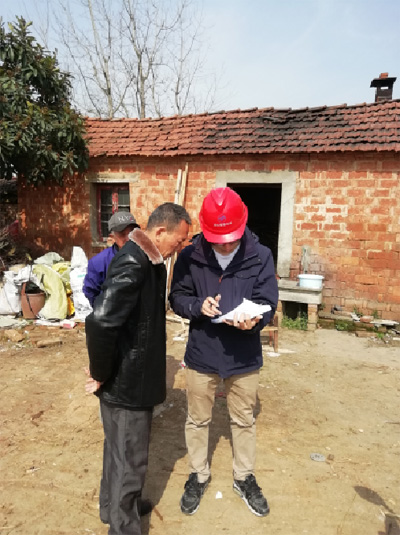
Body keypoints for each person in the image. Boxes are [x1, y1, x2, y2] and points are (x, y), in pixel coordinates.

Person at [169, 187, 279, 518]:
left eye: (231, 239)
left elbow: (268, 300)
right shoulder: (190, 256)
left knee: (243, 419)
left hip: (243, 355)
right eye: (219, 241)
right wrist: (197, 306)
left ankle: (244, 477)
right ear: (206, 231)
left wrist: (256, 320)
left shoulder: (260, 256)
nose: (227, 246)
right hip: (202, 352)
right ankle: (198, 474)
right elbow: (177, 297)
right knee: (197, 418)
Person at [85, 202, 191, 535]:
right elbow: (101, 321)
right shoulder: (134, 261)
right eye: (179, 240)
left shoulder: (149, 260)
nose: (180, 247)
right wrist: (100, 373)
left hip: (130, 376)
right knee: (129, 461)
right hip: (127, 382)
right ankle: (123, 526)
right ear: (160, 232)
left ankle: (116, 508)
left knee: (118, 453)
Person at [83, 211, 139, 306]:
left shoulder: (146, 257)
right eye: (122, 234)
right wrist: (104, 310)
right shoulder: (98, 263)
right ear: (112, 237)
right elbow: (91, 292)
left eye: (131, 233)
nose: (128, 239)